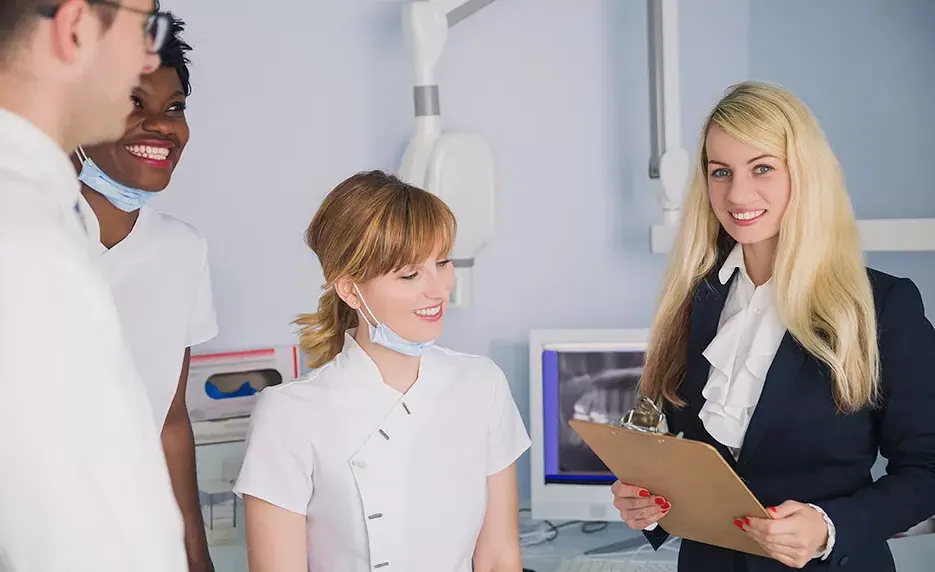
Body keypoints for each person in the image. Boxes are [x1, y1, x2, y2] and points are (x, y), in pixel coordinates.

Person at [610, 81, 935, 571]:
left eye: (762, 168)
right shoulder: (693, 298)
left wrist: (830, 526)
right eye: (721, 172)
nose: (737, 193)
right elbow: (678, 453)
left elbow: (928, 471)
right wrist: (647, 504)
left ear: (804, 175)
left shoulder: (883, 305)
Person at [232, 170, 531, 572]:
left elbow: (498, 559)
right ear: (351, 290)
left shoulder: (482, 385)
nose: (439, 289)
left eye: (442, 263)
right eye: (410, 274)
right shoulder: (290, 413)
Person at [0, 1, 188, 571]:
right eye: (144, 28)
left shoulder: (50, 219)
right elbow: (88, 535)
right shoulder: (26, 244)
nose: (148, 56)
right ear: (75, 27)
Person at [71, 12, 218, 572]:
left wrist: (194, 557)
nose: (163, 126)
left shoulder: (183, 251)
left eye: (175, 107)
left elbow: (170, 419)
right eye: (135, 102)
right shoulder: (25, 243)